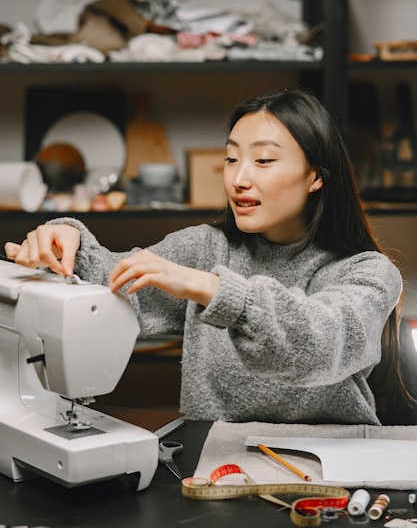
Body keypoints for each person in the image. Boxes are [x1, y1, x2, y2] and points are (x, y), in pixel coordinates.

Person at [5, 89, 411, 425]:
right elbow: (111, 282)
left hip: (333, 480)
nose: (239, 178)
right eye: (231, 159)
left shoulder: (368, 273)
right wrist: (66, 243)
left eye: (264, 160)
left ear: (316, 176)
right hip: (220, 472)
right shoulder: (205, 248)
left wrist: (209, 288)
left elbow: (318, 344)